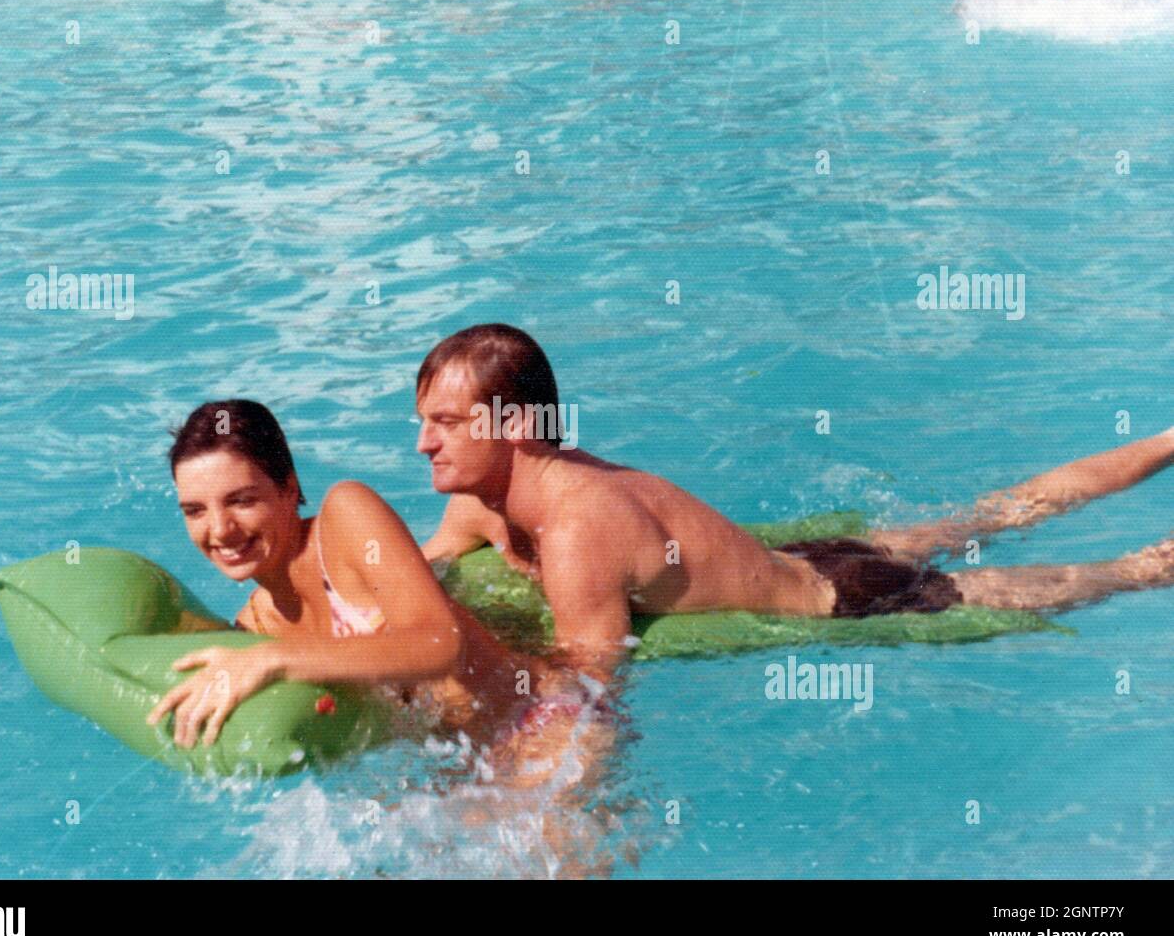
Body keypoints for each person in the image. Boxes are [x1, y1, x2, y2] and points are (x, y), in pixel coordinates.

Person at [414, 324, 1174, 782]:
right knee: (998, 510)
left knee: (1104, 574)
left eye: (446, 422)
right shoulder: (481, 502)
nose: (425, 442)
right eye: (424, 420)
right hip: (801, 554)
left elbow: (586, 690)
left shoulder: (580, 529)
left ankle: (1157, 561)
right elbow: (423, 563)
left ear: (513, 426)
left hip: (847, 597)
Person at [146, 399, 538, 750]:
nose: (219, 530)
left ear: (288, 488)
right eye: (195, 510)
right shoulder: (255, 628)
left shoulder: (344, 519)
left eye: (242, 501)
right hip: (463, 768)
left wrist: (274, 660)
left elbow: (441, 644)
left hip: (540, 725)